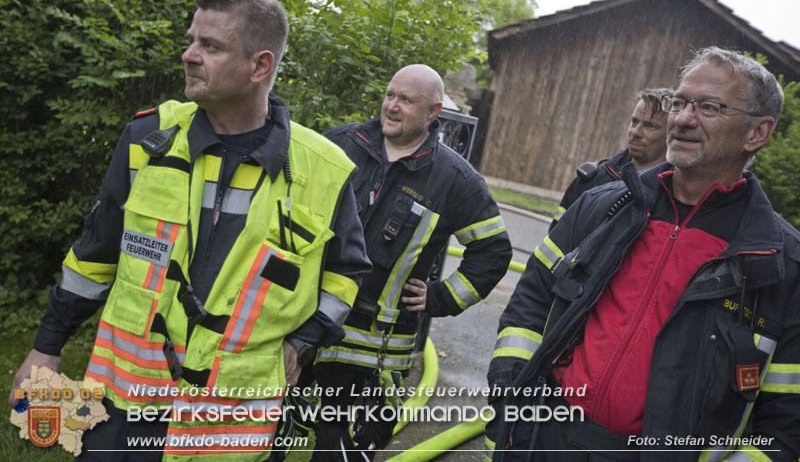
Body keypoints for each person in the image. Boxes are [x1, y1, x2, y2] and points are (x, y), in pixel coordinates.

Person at [9, 0, 371, 461]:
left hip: (229, 424)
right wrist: (47, 347)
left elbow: (345, 275)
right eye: (191, 40)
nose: (188, 55)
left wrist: (304, 341)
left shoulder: (323, 170)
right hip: (125, 407)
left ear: (260, 65)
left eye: (210, 46)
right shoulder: (149, 139)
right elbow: (95, 255)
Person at [486, 47, 800, 461]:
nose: (683, 119)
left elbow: (785, 427)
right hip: (544, 441)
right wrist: (509, 396)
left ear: (757, 132)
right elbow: (530, 304)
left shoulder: (781, 263)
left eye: (709, 107)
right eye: (680, 103)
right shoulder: (600, 207)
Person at [317, 64, 513, 460]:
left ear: (433, 111)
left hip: (374, 359)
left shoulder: (454, 179)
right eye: (390, 95)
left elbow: (493, 251)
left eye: (406, 100)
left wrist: (442, 297)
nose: (392, 106)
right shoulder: (341, 144)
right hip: (311, 334)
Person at [550, 88, 672, 230]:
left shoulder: (676, 197)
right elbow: (555, 237)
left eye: (650, 126)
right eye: (634, 122)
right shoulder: (590, 181)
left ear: (671, 135)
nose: (636, 132)